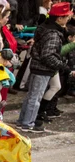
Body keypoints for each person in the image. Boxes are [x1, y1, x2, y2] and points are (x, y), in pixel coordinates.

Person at [17, 2, 74, 132]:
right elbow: (48, 56)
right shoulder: (53, 33)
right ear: (59, 18)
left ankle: (22, 121)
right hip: (43, 68)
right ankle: (28, 123)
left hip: (38, 67)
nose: (68, 19)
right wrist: (63, 66)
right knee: (35, 98)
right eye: (66, 16)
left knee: (31, 96)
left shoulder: (45, 28)